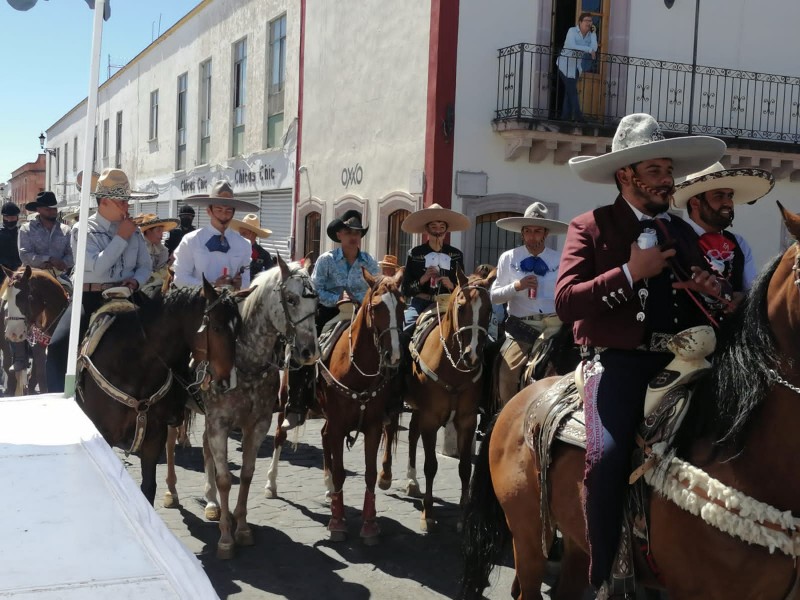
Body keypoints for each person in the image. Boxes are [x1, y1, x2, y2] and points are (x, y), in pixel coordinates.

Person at [555, 113, 729, 594]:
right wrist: (632, 272)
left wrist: (712, 288)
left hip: (685, 360)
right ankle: (605, 572)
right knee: (608, 456)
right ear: (625, 176)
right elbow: (566, 301)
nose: (668, 181)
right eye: (655, 171)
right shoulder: (589, 226)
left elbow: (711, 288)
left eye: (668, 171)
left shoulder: (681, 231)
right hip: (617, 361)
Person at [46, 168, 155, 394]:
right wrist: (121, 236)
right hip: (90, 298)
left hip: (128, 294)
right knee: (58, 347)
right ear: (104, 202)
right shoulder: (83, 228)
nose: (127, 207)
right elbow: (97, 267)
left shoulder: (132, 230)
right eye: (122, 202)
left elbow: (146, 265)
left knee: (166, 336)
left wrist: (136, 281)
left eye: (127, 202)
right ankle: (60, 402)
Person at [491, 202, 569, 407]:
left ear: (545, 234)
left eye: (537, 231)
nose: (532, 236)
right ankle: (505, 415)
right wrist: (516, 286)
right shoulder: (508, 258)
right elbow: (494, 297)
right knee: (507, 372)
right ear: (522, 234)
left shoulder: (559, 259)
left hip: (554, 327)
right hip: (521, 328)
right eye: (528, 231)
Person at [672, 161, 774, 302]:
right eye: (718, 196)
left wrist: (744, 300)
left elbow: (752, 291)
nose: (728, 203)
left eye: (729, 196)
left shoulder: (739, 244)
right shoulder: (674, 238)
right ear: (695, 203)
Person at [172, 181, 259, 291]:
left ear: (233, 212)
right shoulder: (191, 240)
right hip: (198, 306)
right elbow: (180, 279)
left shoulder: (244, 244)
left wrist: (239, 285)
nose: (224, 215)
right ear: (209, 211)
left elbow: (246, 282)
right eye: (219, 210)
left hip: (232, 306)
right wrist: (212, 287)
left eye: (228, 210)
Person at [400, 203, 469, 331]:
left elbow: (463, 287)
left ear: (446, 231)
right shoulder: (415, 254)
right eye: (434, 227)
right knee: (406, 328)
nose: (438, 231)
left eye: (442, 227)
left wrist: (452, 286)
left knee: (470, 328)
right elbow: (405, 289)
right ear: (427, 229)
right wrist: (423, 279)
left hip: (448, 302)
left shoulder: (456, 255)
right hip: (421, 303)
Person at [18, 191, 74, 275]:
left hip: (59, 275)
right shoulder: (26, 229)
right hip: (33, 276)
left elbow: (72, 254)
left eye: (54, 209)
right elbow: (25, 255)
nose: (53, 211)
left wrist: (61, 263)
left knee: (69, 287)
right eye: (48, 209)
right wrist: (48, 259)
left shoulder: (66, 230)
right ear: (38, 209)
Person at [556, 12, 597, 123]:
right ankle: (578, 116)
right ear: (580, 22)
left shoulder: (591, 34)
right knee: (572, 91)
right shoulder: (572, 31)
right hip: (564, 65)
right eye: (586, 20)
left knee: (569, 92)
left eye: (590, 21)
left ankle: (565, 118)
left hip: (576, 68)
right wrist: (588, 50)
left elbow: (594, 47)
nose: (589, 23)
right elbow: (572, 46)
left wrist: (593, 34)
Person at [133, 213, 180, 296]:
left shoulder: (162, 250)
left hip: (157, 285)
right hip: (138, 286)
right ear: (148, 231)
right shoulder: (136, 247)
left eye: (162, 231)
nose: (161, 235)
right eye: (158, 231)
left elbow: (162, 268)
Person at [229, 213, 275, 281]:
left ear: (253, 234)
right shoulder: (232, 251)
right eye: (240, 234)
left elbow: (270, 278)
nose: (240, 237)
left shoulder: (264, 254)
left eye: (244, 234)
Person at [0, 202, 22, 279]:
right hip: (1, 272)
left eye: (12, 217)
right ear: (3, 217)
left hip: (19, 272)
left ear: (17, 218)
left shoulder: (22, 232)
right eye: (7, 217)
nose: (9, 220)